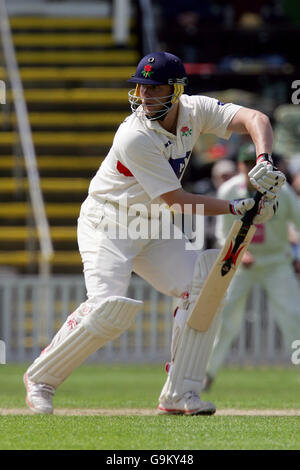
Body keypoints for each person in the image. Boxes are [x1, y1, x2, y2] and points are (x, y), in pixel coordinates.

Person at [23, 52, 285, 415]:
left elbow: (256, 118)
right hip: (109, 224)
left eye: (155, 89)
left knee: (204, 286)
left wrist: (263, 159)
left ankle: (180, 394)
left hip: (153, 224)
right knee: (107, 309)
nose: (144, 97)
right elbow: (178, 201)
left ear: (177, 90)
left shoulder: (195, 110)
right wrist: (239, 207)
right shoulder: (135, 135)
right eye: (140, 88)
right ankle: (40, 381)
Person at [204, 143, 300, 390]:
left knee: (292, 315)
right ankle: (205, 374)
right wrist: (239, 252)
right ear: (240, 167)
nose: (250, 170)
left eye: (255, 165)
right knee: (225, 318)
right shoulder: (228, 190)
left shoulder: (284, 192)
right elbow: (221, 233)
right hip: (239, 261)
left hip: (276, 261)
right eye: (246, 165)